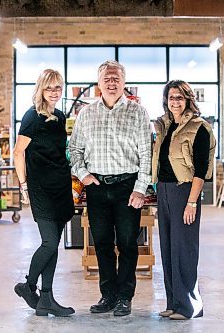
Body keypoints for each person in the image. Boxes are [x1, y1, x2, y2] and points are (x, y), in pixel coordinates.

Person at [69, 60, 152, 317]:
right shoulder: (86, 113)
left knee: (127, 244)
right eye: (107, 78)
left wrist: (140, 189)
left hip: (128, 187)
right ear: (99, 83)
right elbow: (74, 150)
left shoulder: (138, 112)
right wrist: (84, 176)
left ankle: (125, 297)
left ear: (124, 83)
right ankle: (108, 295)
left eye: (116, 78)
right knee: (102, 243)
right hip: (97, 187)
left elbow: (146, 154)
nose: (112, 82)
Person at [151, 80, 216, 320]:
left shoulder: (199, 127)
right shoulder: (165, 126)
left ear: (188, 99)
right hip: (165, 190)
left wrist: (191, 202)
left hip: (185, 191)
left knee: (184, 249)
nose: (175, 102)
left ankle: (189, 306)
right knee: (168, 248)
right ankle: (173, 303)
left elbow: (201, 169)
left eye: (179, 97)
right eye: (171, 97)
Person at [13, 69, 75, 317]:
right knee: (49, 242)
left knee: (54, 245)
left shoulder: (59, 117)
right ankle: (28, 287)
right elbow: (18, 152)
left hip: (60, 187)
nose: (55, 92)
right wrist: (23, 185)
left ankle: (46, 298)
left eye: (58, 87)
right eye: (50, 88)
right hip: (40, 188)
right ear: (40, 89)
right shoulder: (32, 117)